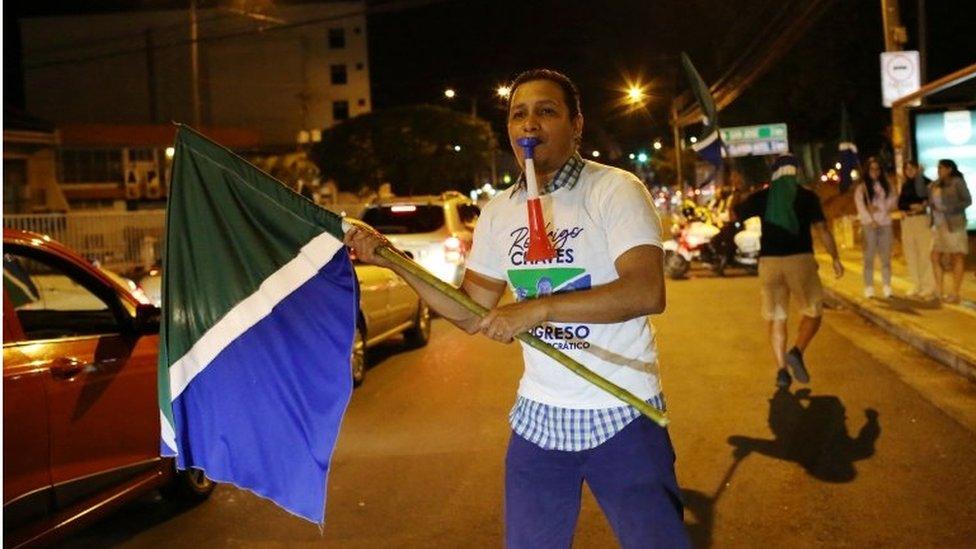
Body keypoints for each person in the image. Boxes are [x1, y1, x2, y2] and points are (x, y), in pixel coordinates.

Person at [344, 68, 688, 548]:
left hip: (623, 409)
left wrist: (537, 309)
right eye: (518, 114)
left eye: (546, 111)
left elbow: (645, 291)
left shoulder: (614, 189)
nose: (529, 124)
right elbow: (468, 312)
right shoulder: (500, 212)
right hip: (539, 420)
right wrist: (388, 257)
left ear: (577, 124)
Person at [733, 154, 844, 389]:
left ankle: (782, 369)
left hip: (770, 263)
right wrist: (835, 258)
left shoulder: (763, 197)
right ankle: (797, 350)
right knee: (813, 311)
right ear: (796, 171)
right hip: (800, 260)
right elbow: (822, 230)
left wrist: (738, 189)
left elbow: (736, 213)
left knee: (777, 317)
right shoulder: (807, 196)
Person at [854, 157, 898, 298]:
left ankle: (887, 286)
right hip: (870, 226)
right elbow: (860, 206)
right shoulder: (862, 188)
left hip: (885, 224)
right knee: (869, 257)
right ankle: (869, 286)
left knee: (885, 258)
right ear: (867, 171)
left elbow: (892, 202)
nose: (875, 171)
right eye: (872, 169)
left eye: (877, 169)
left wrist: (881, 208)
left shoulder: (887, 186)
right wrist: (868, 215)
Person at [930, 159, 972, 304]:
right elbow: (924, 193)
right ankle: (939, 290)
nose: (938, 170)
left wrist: (949, 209)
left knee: (957, 256)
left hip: (954, 224)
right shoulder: (936, 183)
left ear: (949, 169)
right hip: (938, 225)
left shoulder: (957, 182)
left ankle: (955, 293)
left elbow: (967, 200)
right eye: (938, 167)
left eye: (941, 167)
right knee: (934, 256)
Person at [897, 160, 936, 299]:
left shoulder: (926, 182)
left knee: (924, 254)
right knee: (910, 254)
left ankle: (928, 286)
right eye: (906, 169)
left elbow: (929, 199)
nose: (909, 171)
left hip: (921, 220)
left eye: (911, 168)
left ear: (917, 169)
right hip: (907, 221)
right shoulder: (905, 184)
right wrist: (909, 206)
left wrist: (922, 205)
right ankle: (916, 284)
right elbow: (900, 203)